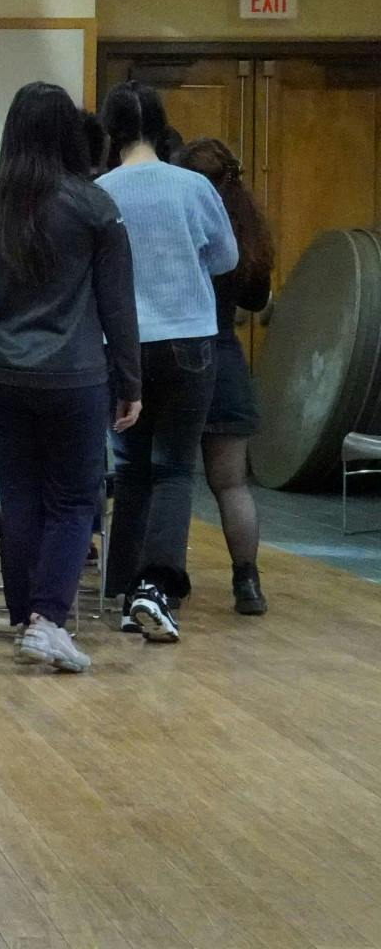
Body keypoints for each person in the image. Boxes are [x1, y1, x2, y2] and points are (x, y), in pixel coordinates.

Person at [0, 83, 141, 673]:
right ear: (69, 133)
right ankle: (48, 620)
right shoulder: (93, 207)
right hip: (73, 375)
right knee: (74, 499)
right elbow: (118, 305)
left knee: (21, 496)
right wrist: (130, 381)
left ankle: (23, 617)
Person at [97, 81, 238, 643]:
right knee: (175, 468)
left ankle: (123, 585)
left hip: (122, 346)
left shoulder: (100, 191)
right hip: (189, 341)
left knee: (130, 468)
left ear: (111, 130)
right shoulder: (193, 186)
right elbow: (226, 257)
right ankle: (157, 588)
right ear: (161, 126)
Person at [176, 137, 274, 616]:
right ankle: (248, 583)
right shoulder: (248, 227)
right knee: (232, 484)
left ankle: (160, 583)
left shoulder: (184, 219)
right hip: (226, 360)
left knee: (168, 475)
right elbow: (257, 301)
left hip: (176, 358)